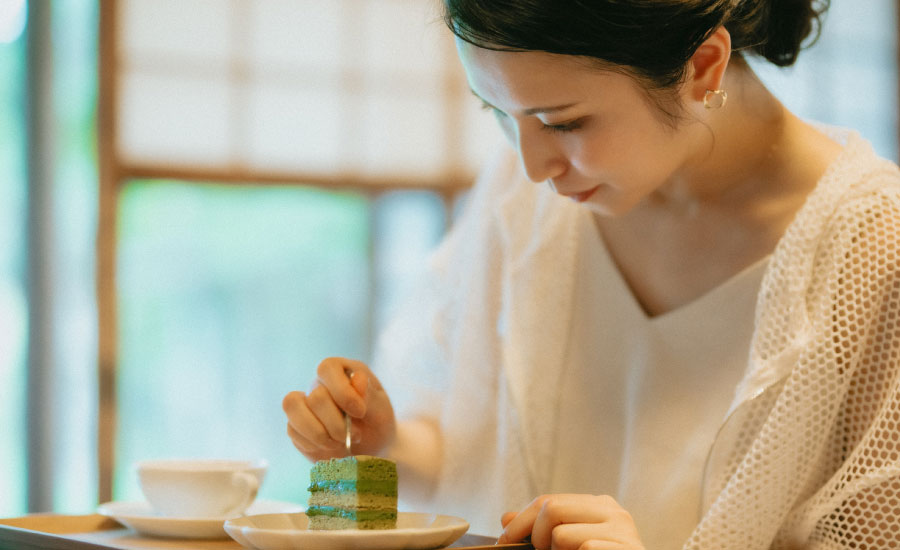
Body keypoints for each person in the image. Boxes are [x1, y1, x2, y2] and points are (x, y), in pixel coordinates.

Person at [282, 0, 900, 548]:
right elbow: (467, 459)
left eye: (562, 123)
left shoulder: (872, 247)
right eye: (498, 113)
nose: (531, 166)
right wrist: (384, 442)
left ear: (704, 66)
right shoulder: (528, 202)